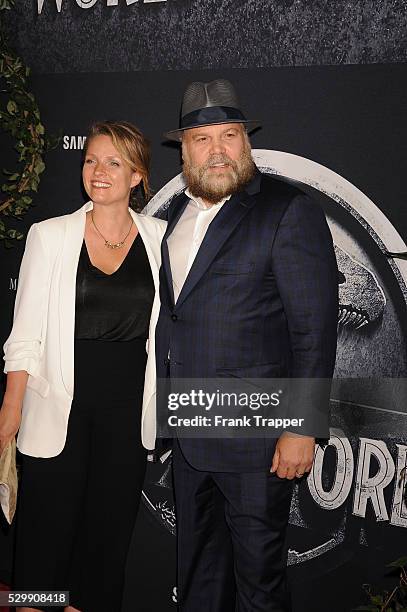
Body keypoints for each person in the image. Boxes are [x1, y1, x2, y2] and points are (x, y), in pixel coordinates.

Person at [156, 80, 339, 611]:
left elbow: (313, 330)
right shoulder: (170, 222)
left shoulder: (287, 209)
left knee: (259, 587)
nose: (217, 150)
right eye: (202, 138)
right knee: (198, 581)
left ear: (246, 142)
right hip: (189, 438)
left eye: (229, 135)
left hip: (258, 444)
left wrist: (302, 427)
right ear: (183, 149)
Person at [0, 120, 166, 612]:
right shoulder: (49, 236)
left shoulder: (160, 238)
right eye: (91, 160)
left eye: (114, 162)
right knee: (43, 537)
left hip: (127, 412)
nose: (98, 171)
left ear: (136, 176)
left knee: (105, 541)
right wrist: (11, 408)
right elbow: (25, 330)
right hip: (59, 409)